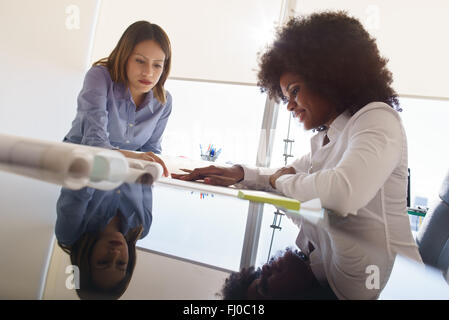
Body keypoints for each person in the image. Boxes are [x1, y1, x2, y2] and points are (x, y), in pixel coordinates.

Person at [173, 11, 422, 299]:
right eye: (285, 97)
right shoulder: (327, 141)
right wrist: (239, 173)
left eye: (294, 92)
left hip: (403, 287)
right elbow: (281, 176)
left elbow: (340, 194)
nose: (289, 106)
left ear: (329, 76)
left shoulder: (375, 118)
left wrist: (283, 183)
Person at [63, 20, 172, 176]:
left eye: (157, 65)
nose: (148, 72)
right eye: (140, 61)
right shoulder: (99, 77)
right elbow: (95, 142)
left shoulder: (163, 101)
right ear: (125, 56)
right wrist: (136, 157)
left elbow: (151, 151)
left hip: (129, 176)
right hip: (83, 170)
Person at [56, 182, 152, 299]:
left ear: (86, 260)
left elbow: (81, 176)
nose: (115, 254)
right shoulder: (141, 227)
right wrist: (151, 166)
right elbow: (147, 179)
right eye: (121, 263)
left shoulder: (69, 231)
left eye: (103, 262)